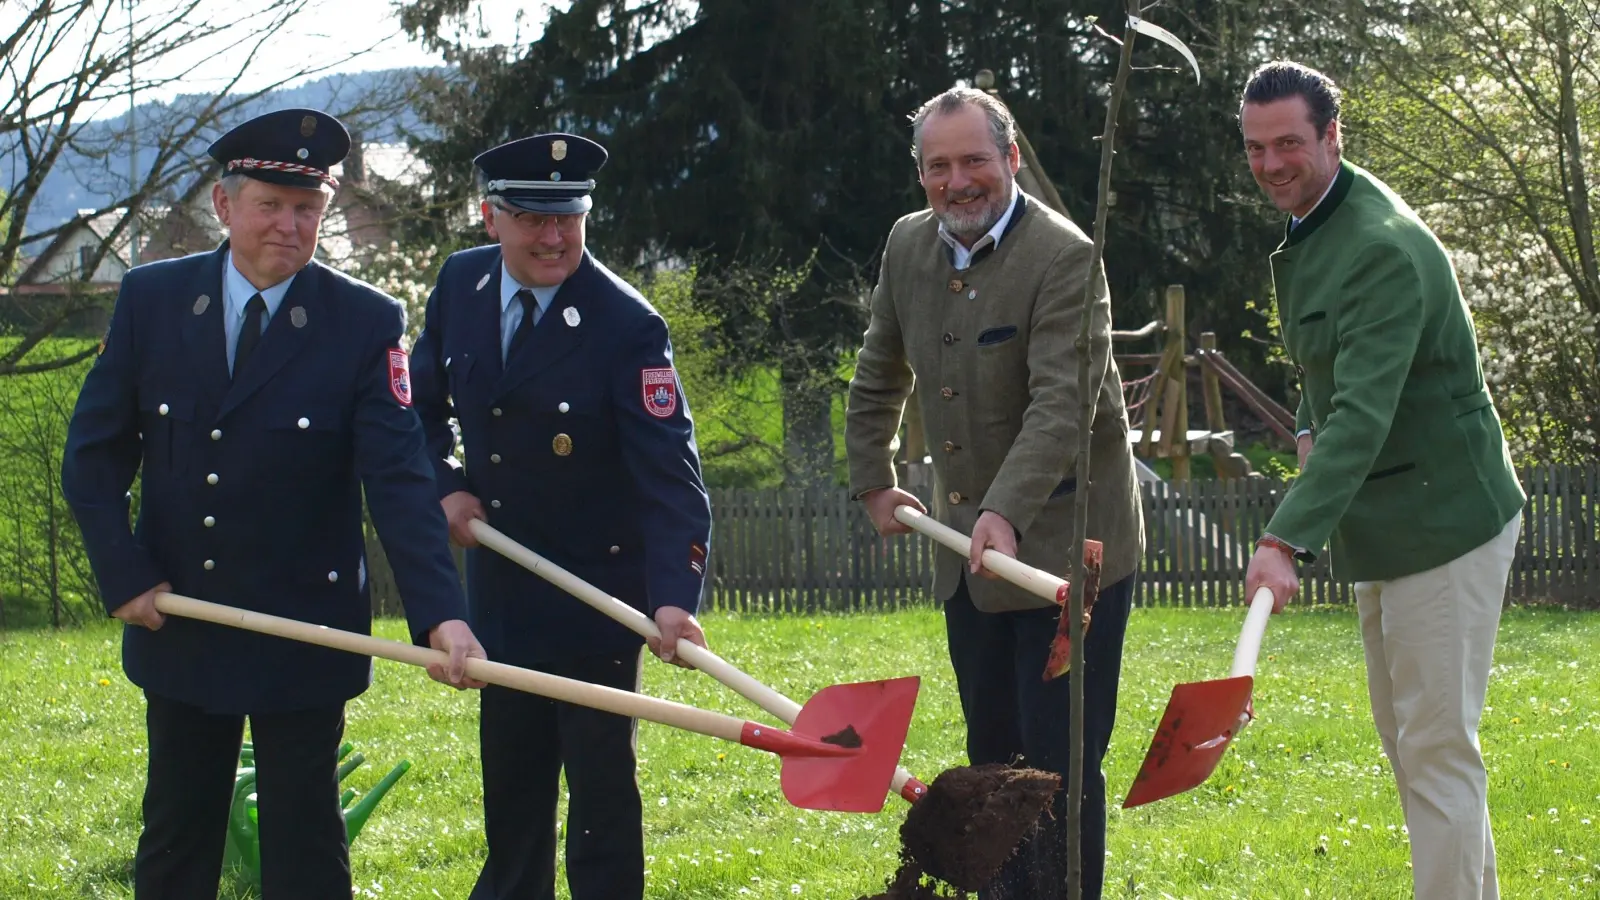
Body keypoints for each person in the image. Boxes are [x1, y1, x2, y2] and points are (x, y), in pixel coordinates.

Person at [59, 107, 486, 900]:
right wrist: (122, 571)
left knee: (306, 846)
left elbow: (396, 475)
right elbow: (92, 456)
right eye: (270, 205)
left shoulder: (363, 320)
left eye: (308, 210)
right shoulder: (152, 299)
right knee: (178, 838)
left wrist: (441, 614)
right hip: (182, 616)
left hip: (306, 627)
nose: (290, 227)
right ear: (224, 206)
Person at [844, 87, 1145, 900]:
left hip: (1065, 557)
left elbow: (1060, 408)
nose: (958, 181)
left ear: (1010, 160)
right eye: (938, 166)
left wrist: (1004, 514)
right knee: (991, 756)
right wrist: (873, 474)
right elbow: (880, 368)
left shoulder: (1067, 258)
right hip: (968, 563)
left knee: (1056, 770)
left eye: (975, 160)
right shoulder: (908, 246)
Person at [1239, 61, 1526, 900]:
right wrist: (1301, 426)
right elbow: (1329, 373)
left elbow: (1362, 415)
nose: (1271, 164)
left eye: (1289, 142)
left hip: (1446, 518)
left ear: (1333, 135)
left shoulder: (1378, 248)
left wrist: (1284, 536)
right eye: (1255, 148)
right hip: (1388, 522)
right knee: (1415, 745)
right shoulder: (1317, 232)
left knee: (1435, 748)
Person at [409, 132, 715, 900]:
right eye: (530, 218)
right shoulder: (460, 286)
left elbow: (669, 471)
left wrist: (674, 596)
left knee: (601, 791)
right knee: (511, 785)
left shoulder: (626, 325)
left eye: (568, 219)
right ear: (490, 218)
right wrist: (444, 481)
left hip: (597, 594)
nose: (552, 238)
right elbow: (415, 409)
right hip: (503, 585)